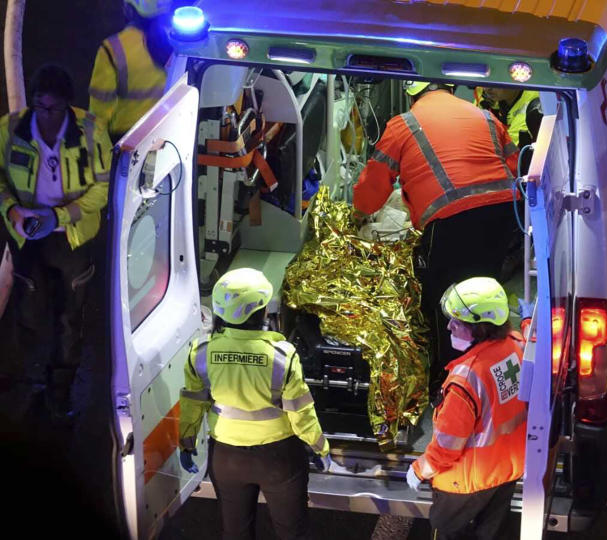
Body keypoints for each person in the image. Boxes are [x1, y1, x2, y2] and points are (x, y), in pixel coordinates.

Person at [353, 80, 523, 377]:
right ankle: (492, 364)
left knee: (443, 299)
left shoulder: (403, 124)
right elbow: (516, 164)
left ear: (413, 95)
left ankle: (449, 378)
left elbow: (373, 185)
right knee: (483, 286)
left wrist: (358, 214)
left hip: (451, 220)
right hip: (502, 213)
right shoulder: (484, 116)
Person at [177, 268, 331, 540]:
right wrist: (320, 447)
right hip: (278, 459)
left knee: (235, 531)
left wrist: (187, 443)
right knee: (292, 532)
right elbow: (301, 412)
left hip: (226, 459)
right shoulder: (282, 356)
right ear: (262, 312)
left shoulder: (201, 353)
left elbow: (192, 403)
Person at [0, 64, 111, 421]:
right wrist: (13, 210)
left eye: (54, 109)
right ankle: (30, 384)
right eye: (40, 107)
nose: (46, 116)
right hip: (29, 239)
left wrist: (60, 216)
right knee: (29, 314)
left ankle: (59, 392)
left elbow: (104, 188)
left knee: (68, 320)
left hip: (73, 242)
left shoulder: (91, 132)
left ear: (68, 106)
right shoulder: (9, 130)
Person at [406, 277, 527, 540]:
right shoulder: (516, 346)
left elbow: (447, 448)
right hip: (506, 472)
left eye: (457, 322)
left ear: (481, 328)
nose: (449, 326)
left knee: (447, 529)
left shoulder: (465, 381)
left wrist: (418, 469)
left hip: (464, 484)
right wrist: (528, 322)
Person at [89, 0, 173, 142]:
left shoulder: (112, 48)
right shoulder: (178, 43)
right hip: (169, 134)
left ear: (128, 9)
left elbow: (99, 110)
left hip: (126, 140)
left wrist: (95, 147)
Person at [475, 86, 543, 151]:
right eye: (489, 79)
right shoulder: (484, 91)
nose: (487, 89)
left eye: (498, 80)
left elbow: (506, 150)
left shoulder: (530, 108)